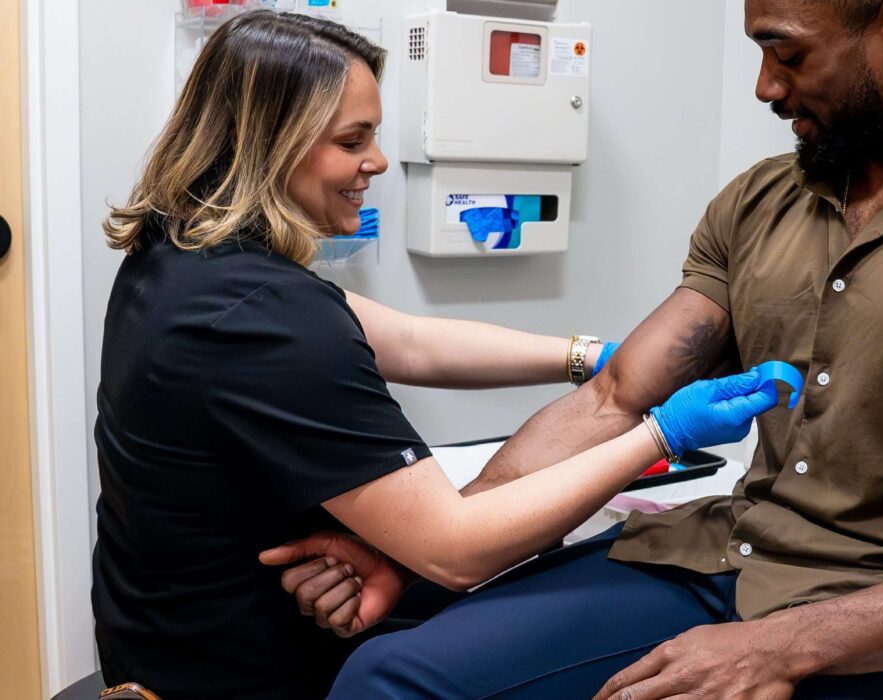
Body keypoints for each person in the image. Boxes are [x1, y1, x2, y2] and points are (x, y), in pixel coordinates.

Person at [274, 0, 883, 698]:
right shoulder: (760, 204)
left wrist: (782, 645)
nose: (765, 87)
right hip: (721, 560)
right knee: (381, 642)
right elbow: (615, 400)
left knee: (396, 684)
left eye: (787, 51)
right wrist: (435, 550)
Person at [90, 10, 781, 699]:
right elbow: (455, 549)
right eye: (352, 139)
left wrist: (592, 355)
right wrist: (662, 433)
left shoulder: (183, 259)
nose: (379, 161)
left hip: (149, 633)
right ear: (271, 145)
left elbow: (411, 343)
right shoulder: (265, 320)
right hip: (240, 662)